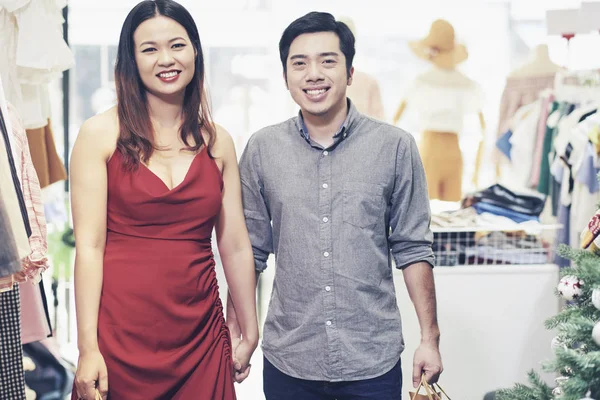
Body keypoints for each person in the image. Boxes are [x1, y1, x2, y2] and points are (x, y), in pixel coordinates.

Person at [227, 11, 443, 399]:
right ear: (285, 77)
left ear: (350, 71)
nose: (314, 74)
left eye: (328, 60)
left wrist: (430, 338)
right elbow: (249, 251)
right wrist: (236, 332)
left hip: (372, 361)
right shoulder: (262, 149)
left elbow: (413, 248)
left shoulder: (394, 147)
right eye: (300, 63)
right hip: (290, 360)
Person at [69, 1, 258, 399]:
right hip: (120, 335)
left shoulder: (217, 140)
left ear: (195, 52)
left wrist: (249, 323)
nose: (166, 59)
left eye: (177, 45)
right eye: (149, 49)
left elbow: (236, 243)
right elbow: (88, 247)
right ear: (131, 60)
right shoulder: (99, 134)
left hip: (201, 334)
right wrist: (87, 348)